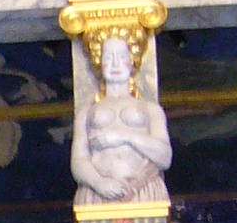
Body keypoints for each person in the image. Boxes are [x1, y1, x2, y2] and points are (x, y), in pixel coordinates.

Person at [70, 30, 171, 204]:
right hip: (99, 192)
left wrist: (123, 136)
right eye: (109, 58)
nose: (115, 64)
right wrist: (99, 182)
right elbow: (78, 160)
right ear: (99, 61)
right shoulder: (85, 113)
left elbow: (164, 156)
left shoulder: (151, 110)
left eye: (122, 57)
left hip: (143, 190)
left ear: (132, 60)